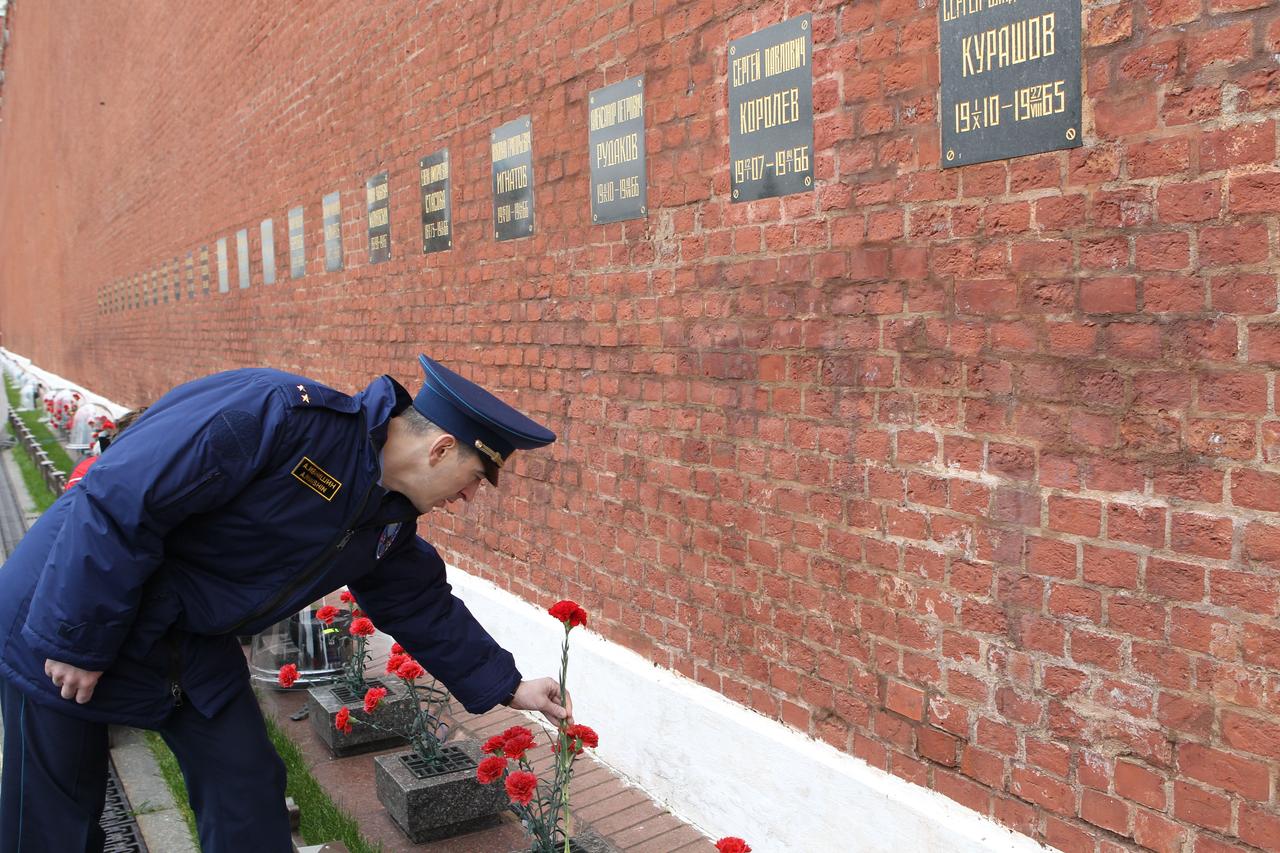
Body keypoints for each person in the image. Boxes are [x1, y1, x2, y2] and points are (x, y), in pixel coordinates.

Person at [0, 354, 569, 852]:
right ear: (441, 448)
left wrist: (508, 685)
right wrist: (75, 636)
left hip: (185, 638)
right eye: (473, 478)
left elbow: (419, 602)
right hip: (66, 606)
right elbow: (117, 498)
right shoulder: (275, 415)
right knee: (53, 823)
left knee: (247, 790)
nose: (468, 497)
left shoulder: (386, 515)